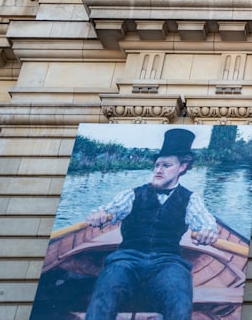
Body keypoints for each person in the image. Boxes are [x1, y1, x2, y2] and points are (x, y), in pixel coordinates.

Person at [83, 128, 220, 320]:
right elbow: (109, 211)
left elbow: (206, 224)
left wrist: (207, 232)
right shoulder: (132, 194)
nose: (158, 170)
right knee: (104, 295)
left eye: (166, 165)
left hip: (168, 262)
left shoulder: (191, 199)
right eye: (156, 165)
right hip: (126, 259)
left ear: (182, 167)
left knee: (180, 301)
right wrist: (99, 216)